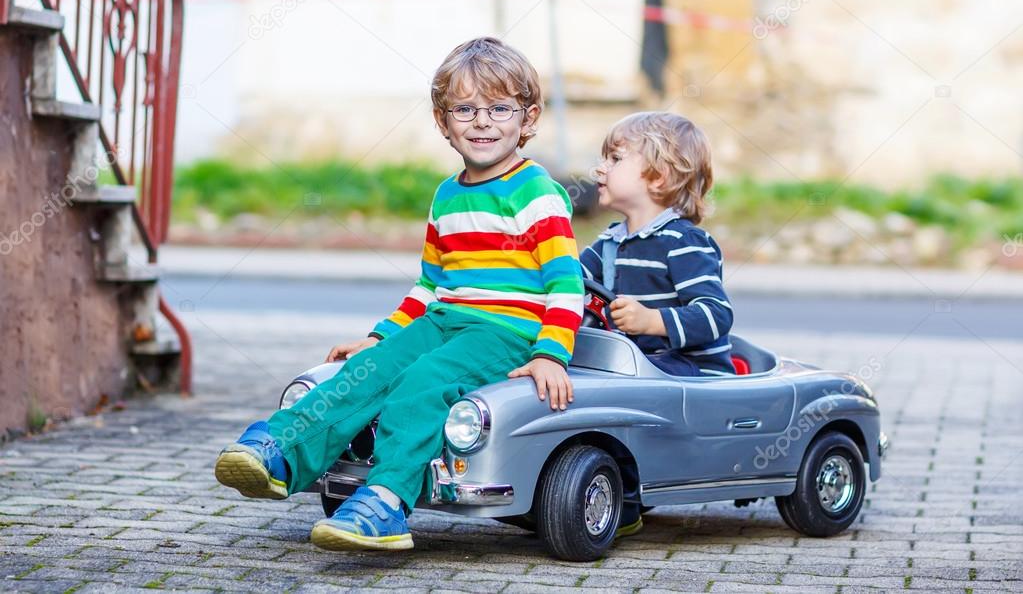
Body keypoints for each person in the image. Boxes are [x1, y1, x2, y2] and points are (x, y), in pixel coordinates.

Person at [214, 37, 584, 552]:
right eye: (466, 109)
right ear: (442, 121)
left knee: (423, 383)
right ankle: (281, 452)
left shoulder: (536, 192)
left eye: (500, 108)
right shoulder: (447, 195)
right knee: (366, 372)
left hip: (507, 333)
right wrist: (380, 338)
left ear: (528, 118)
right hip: (444, 321)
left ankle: (387, 501)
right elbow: (430, 284)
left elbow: (566, 284)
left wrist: (551, 354)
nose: (482, 121)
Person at [579, 111, 734, 536]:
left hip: (690, 371)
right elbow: (569, 286)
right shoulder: (608, 244)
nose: (600, 168)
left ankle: (623, 495)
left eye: (615, 158)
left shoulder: (685, 243)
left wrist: (653, 320)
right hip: (631, 365)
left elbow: (716, 315)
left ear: (659, 177)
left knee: (626, 396)